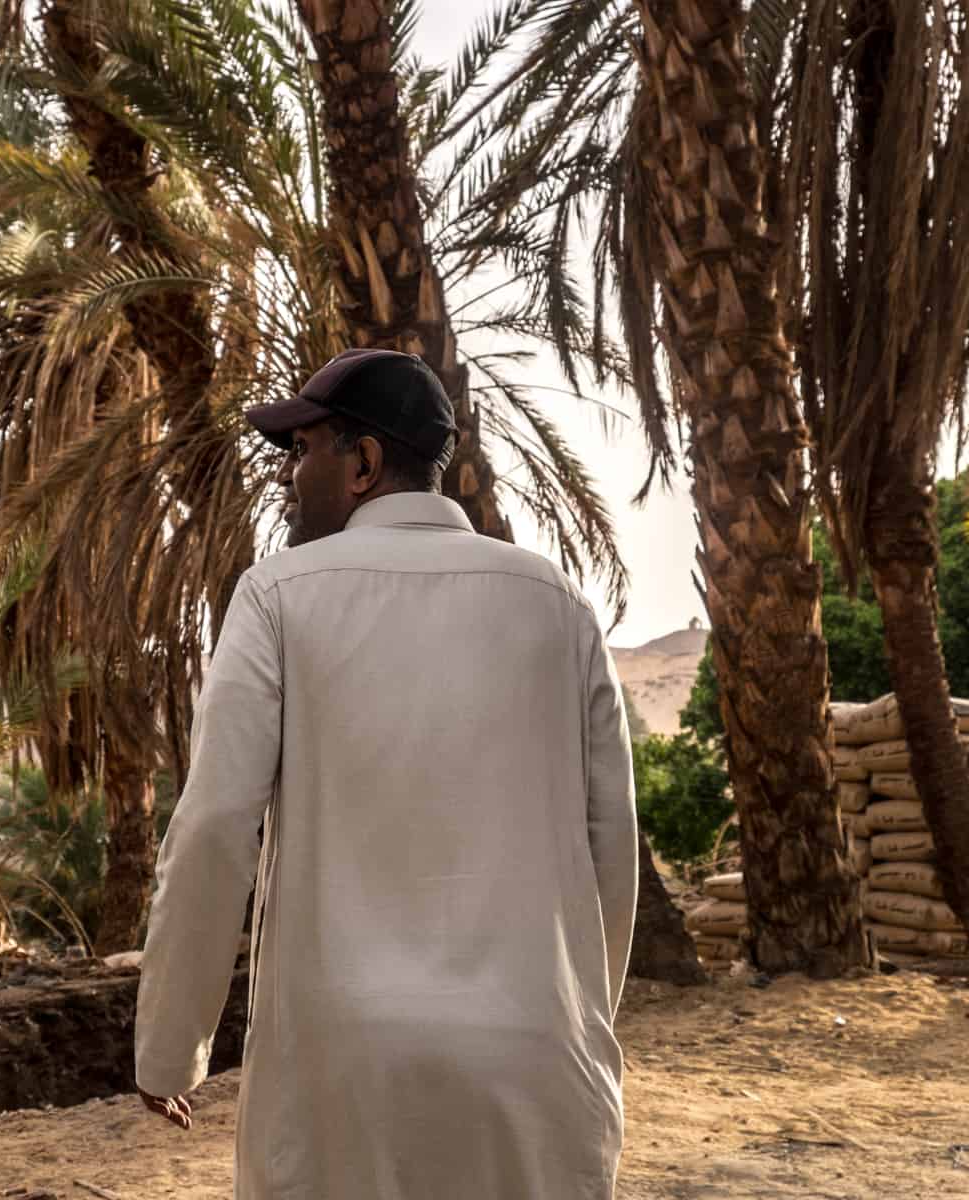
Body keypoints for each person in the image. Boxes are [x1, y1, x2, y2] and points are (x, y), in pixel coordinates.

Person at [134, 347, 639, 1199]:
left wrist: (169, 1050)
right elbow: (610, 843)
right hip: (535, 1064)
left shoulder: (277, 596)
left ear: (363, 461)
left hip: (339, 1074)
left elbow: (217, 826)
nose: (292, 477)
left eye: (305, 450)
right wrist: (579, 1016)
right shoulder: (558, 602)